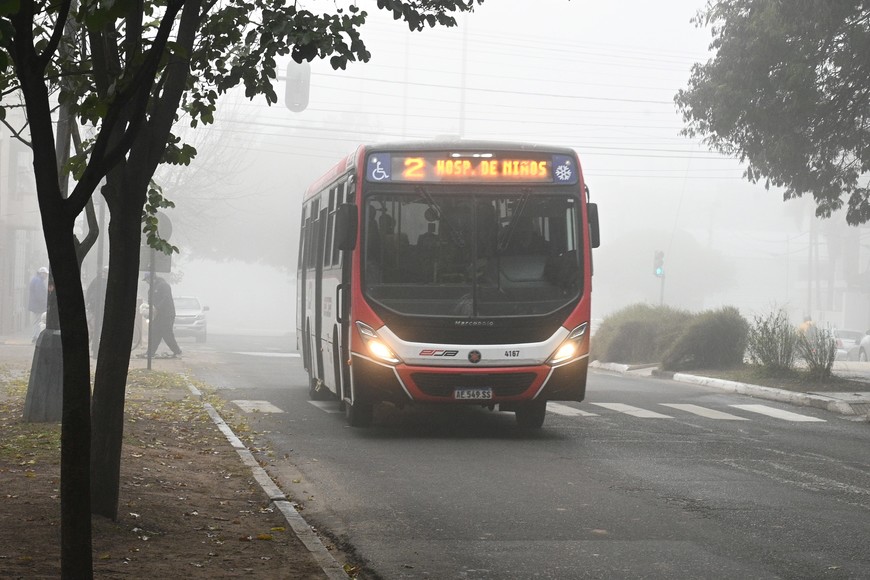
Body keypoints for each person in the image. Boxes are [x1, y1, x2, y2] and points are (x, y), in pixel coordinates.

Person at [141, 274, 181, 358]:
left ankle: (177, 351)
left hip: (166, 314)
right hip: (157, 315)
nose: (147, 282)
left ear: (152, 278)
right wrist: (149, 309)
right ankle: (150, 352)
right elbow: (150, 300)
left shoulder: (164, 285)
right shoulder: (152, 288)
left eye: (147, 280)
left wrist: (157, 308)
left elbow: (166, 299)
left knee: (167, 333)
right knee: (155, 333)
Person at [28, 267, 48, 342]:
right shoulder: (39, 281)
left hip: (35, 305)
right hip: (38, 306)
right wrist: (44, 303)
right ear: (42, 273)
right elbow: (39, 295)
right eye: (45, 274)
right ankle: (36, 337)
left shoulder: (35, 279)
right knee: (39, 321)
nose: (46, 276)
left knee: (36, 321)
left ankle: (35, 336)